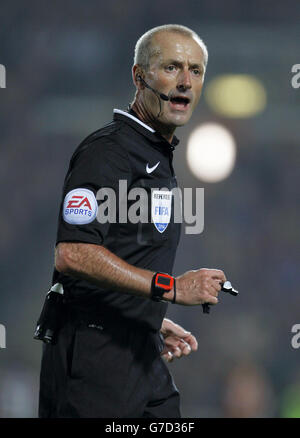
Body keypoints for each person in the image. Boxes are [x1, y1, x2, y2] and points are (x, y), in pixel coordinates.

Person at [37, 24, 226, 418]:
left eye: (196, 70)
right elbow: (73, 253)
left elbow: (123, 251)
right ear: (139, 77)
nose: (186, 82)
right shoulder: (107, 154)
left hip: (140, 353)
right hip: (95, 359)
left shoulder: (155, 155)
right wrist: (169, 287)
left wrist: (147, 314)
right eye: (172, 67)